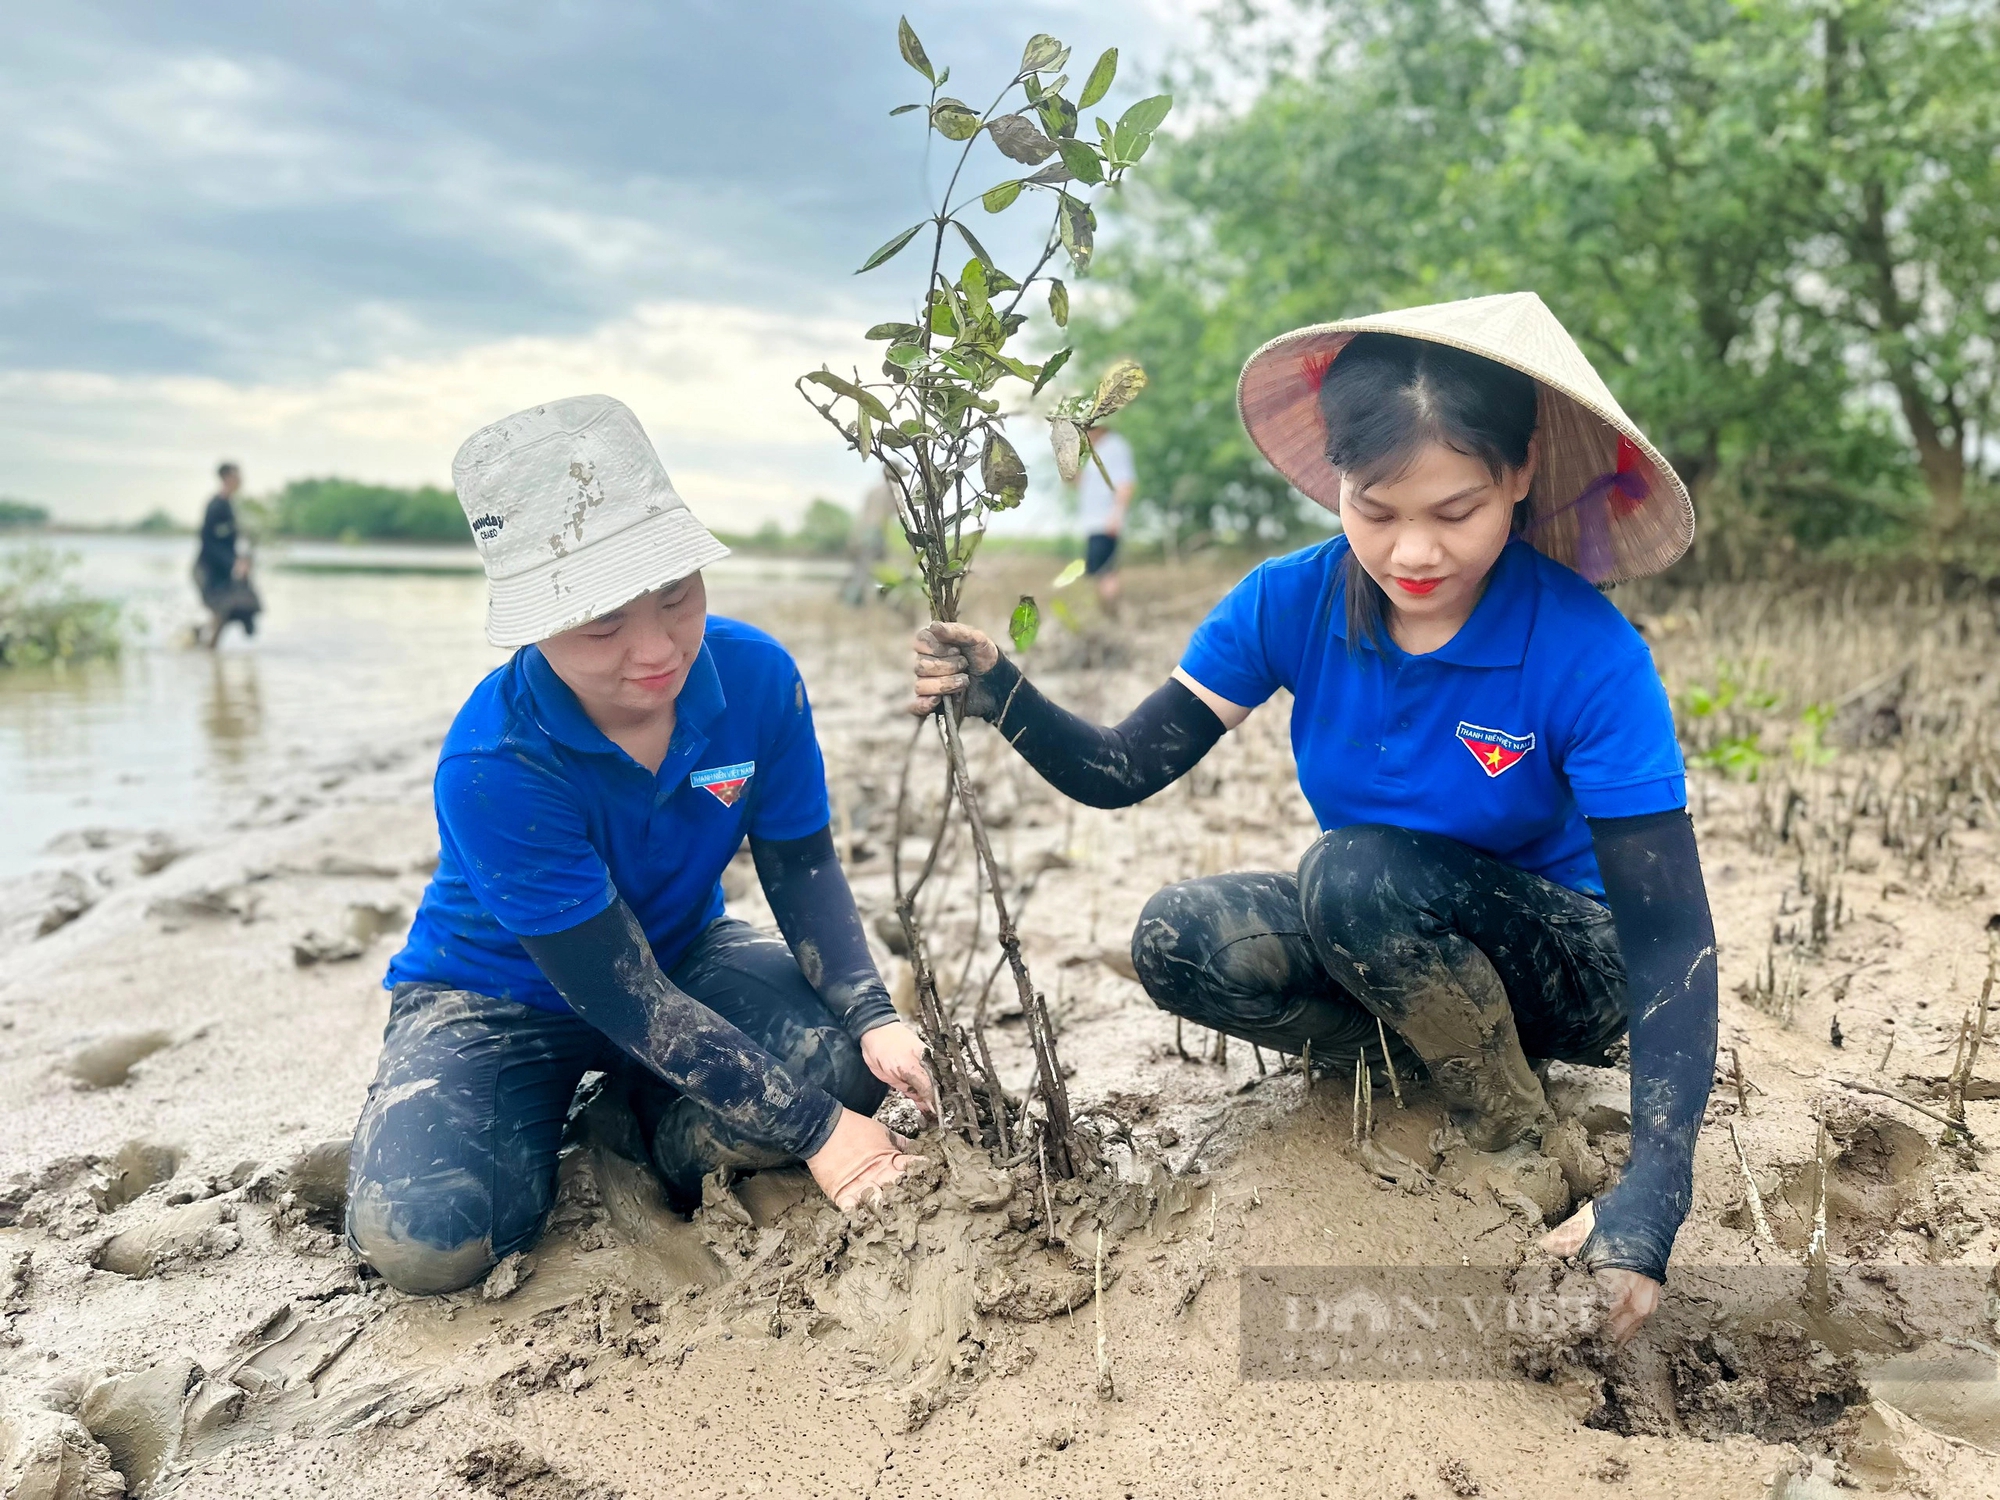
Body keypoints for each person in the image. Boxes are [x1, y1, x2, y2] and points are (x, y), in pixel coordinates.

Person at [911, 294, 1716, 1341]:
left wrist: (1652, 1191)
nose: (1411, 552)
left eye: (1454, 512)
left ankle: (1515, 1131)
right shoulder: (1285, 602)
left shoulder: (1586, 653)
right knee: (1180, 940)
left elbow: (1668, 938)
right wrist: (1000, 694)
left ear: (1517, 477)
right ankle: (1409, 1056)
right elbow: (1121, 768)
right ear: (1334, 479)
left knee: (1350, 873)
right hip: (1382, 925)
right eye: (1375, 511)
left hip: (1566, 962)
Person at [347, 395, 935, 1296]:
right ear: (536, 627)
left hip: (679, 952)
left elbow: (803, 862)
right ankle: (494, 1110)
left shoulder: (757, 678)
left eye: (676, 597)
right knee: (431, 1241)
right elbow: (620, 993)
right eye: (603, 625)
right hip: (498, 995)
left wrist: (871, 1013)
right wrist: (817, 1132)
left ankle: (631, 1114)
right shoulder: (492, 762)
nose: (657, 649)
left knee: (841, 1067)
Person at [1071, 421, 1136, 611]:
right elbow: (1085, 485)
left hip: (1105, 522)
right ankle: (1107, 614)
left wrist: (1116, 516)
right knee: (1100, 573)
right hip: (1095, 522)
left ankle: (1112, 613)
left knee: (1107, 573)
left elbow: (1125, 484)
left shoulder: (1115, 447)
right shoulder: (1097, 452)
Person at [194, 462, 260, 647]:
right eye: (236, 476)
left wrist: (242, 560)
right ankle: (206, 651)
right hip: (207, 569)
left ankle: (200, 639)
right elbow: (208, 542)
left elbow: (230, 542)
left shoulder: (230, 506)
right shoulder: (216, 506)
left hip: (223, 569)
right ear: (225, 478)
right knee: (221, 611)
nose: (240, 480)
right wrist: (234, 562)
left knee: (228, 611)